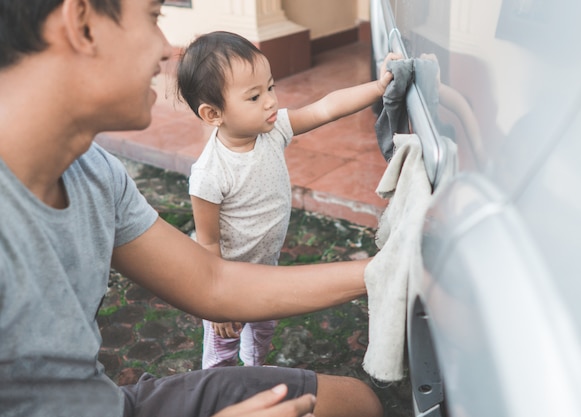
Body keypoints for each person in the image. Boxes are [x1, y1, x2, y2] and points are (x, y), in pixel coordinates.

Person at [0, 1, 384, 417]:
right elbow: (210, 247)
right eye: (153, 16)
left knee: (356, 404)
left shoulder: (97, 173)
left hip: (104, 403)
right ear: (83, 25)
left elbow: (212, 282)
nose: (167, 49)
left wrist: (389, 270)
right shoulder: (207, 172)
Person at [175, 31, 397, 370]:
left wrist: (378, 87)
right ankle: (218, 394)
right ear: (213, 114)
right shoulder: (209, 173)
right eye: (253, 97)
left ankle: (255, 372)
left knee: (262, 331)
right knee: (222, 351)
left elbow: (325, 108)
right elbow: (208, 243)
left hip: (267, 270)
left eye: (270, 88)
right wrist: (215, 304)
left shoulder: (274, 129)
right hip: (228, 282)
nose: (269, 102)